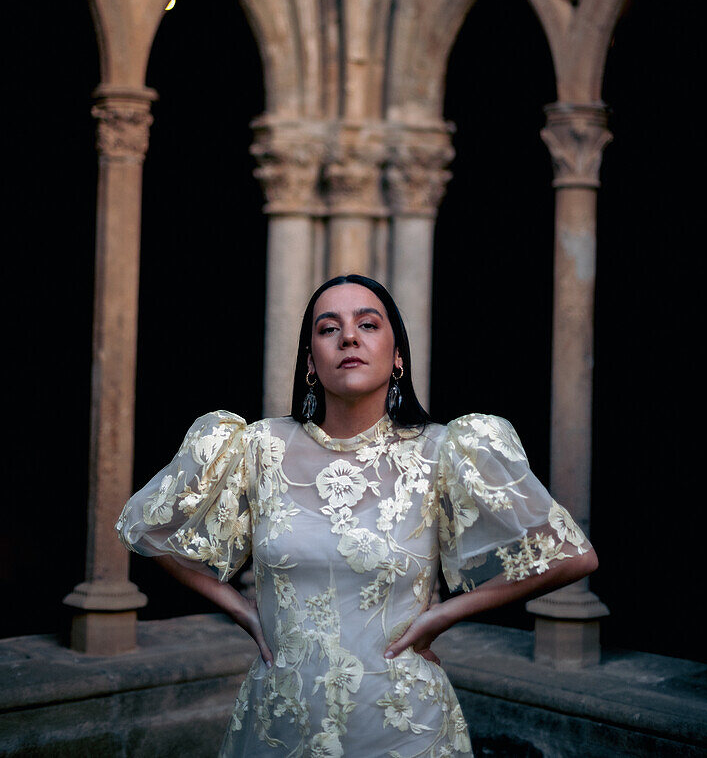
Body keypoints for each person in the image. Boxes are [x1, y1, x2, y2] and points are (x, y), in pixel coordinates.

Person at [117, 274, 598, 757]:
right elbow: (148, 528)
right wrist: (244, 613)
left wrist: (445, 615)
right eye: (328, 329)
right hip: (279, 723)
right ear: (310, 361)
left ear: (397, 356)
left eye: (367, 324)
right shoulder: (255, 448)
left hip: (404, 724)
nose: (348, 336)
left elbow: (571, 556)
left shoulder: (444, 451)